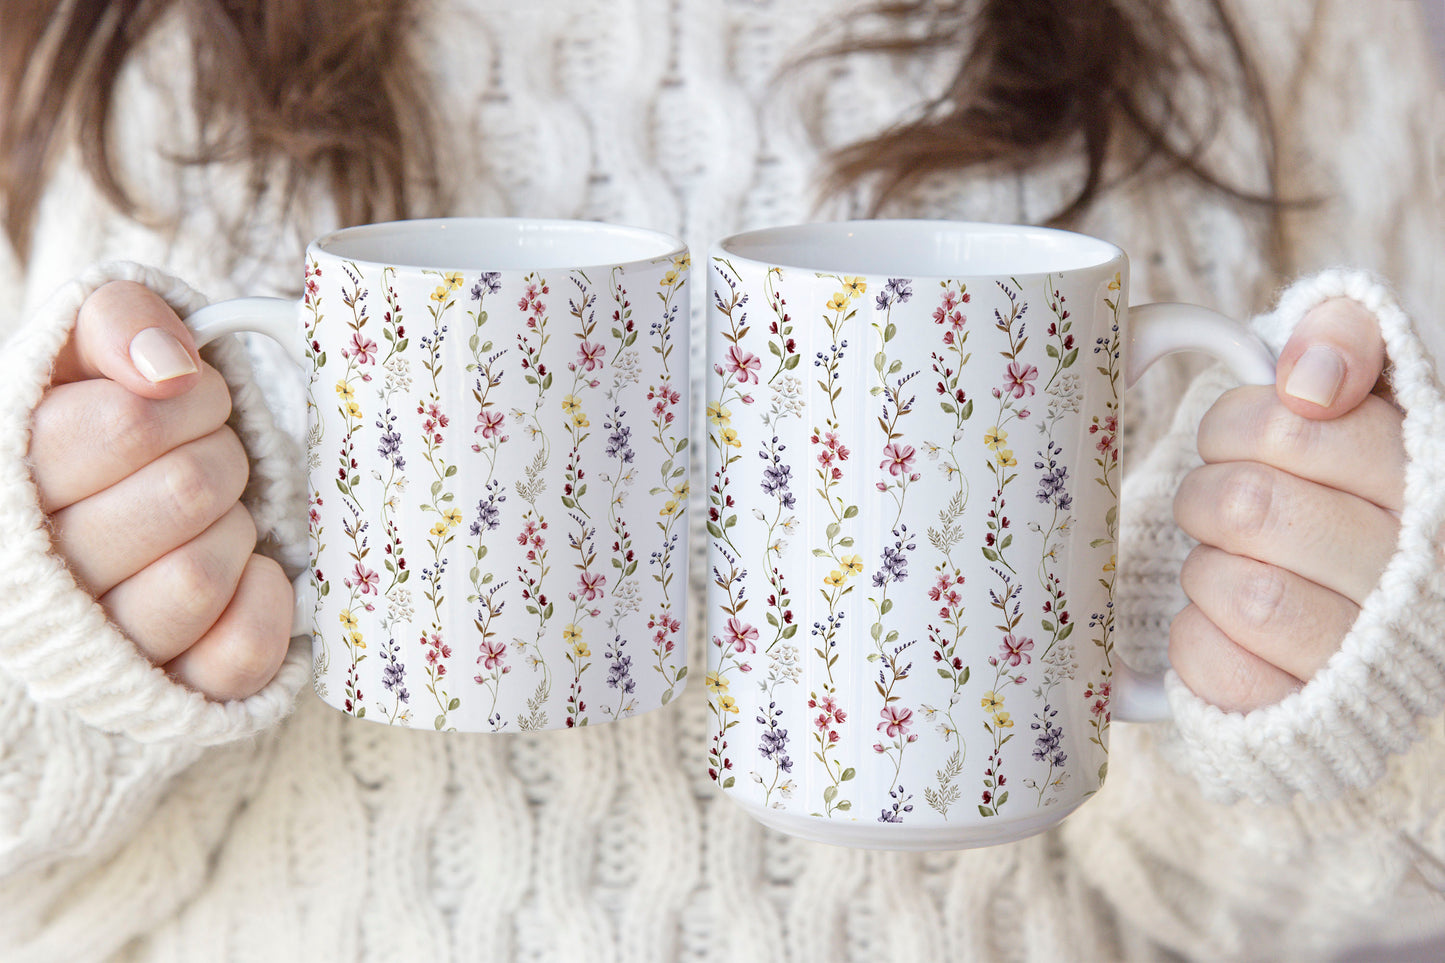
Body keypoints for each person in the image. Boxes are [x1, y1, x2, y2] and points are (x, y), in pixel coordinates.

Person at [0, 1, 1441, 960]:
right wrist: (65, 637)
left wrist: (1338, 690)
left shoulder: (1289, 25)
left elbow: (1337, 881)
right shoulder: (111, 42)